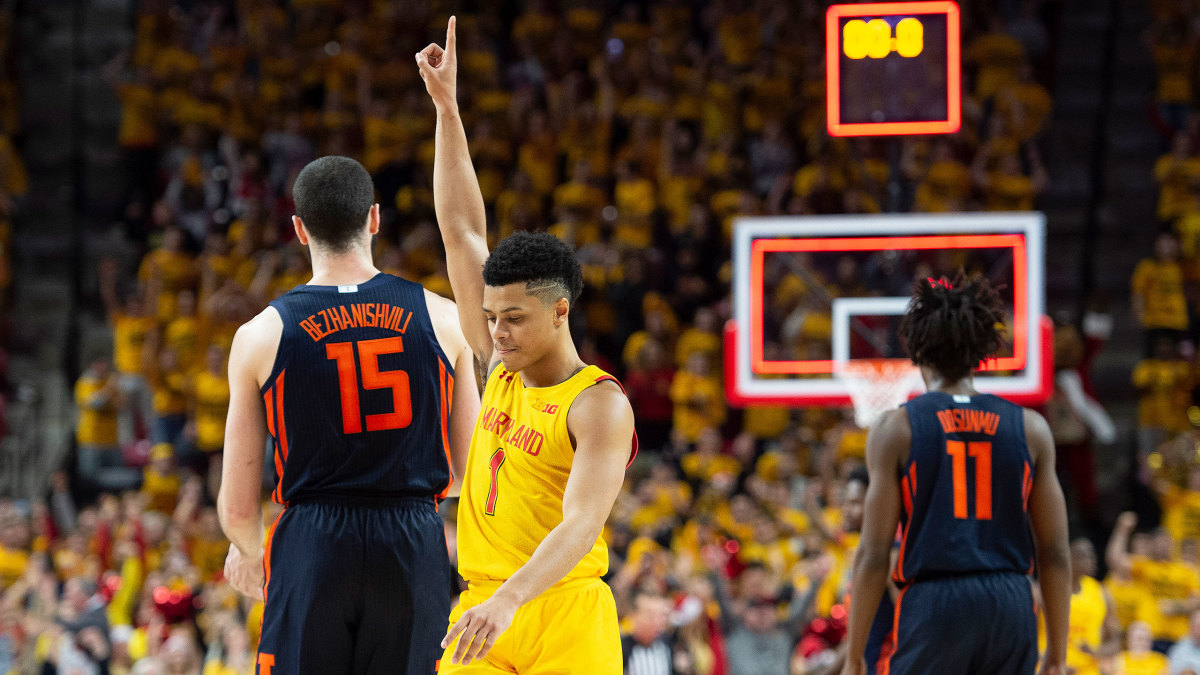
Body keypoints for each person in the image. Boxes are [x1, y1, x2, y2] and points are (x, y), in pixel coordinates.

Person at [417, 17, 638, 673]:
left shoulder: (597, 403)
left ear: (559, 311)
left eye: (513, 318)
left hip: (562, 610)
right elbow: (460, 229)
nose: (495, 330)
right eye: (490, 316)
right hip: (485, 605)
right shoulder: (496, 361)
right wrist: (448, 110)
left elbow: (581, 524)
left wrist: (513, 599)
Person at [216, 155, 479, 674]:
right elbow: (467, 471)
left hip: (312, 544)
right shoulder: (446, 319)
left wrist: (247, 551)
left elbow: (240, 507)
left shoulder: (260, 334)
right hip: (411, 542)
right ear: (375, 218)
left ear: (298, 229)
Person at [841, 272, 1071, 675]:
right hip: (1011, 602)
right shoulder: (1031, 427)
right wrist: (1056, 654)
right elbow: (1054, 552)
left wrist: (855, 654)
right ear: (982, 348)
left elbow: (875, 553)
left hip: (936, 601)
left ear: (915, 347)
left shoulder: (896, 428)